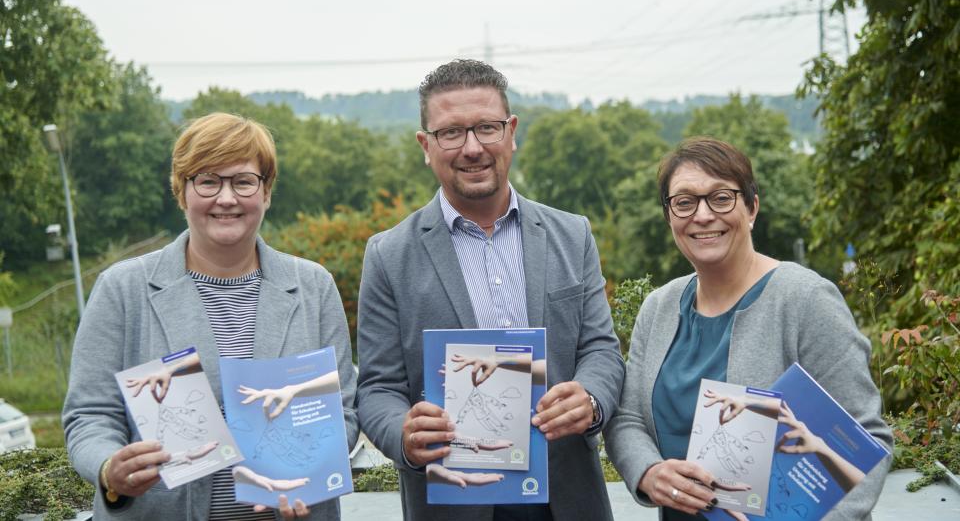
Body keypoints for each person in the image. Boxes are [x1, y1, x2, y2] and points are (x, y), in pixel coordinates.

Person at [356, 59, 625, 521]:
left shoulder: (571, 234)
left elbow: (601, 349)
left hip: (565, 498)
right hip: (451, 499)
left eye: (487, 127)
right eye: (451, 133)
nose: (472, 147)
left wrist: (592, 399)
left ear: (512, 132)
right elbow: (377, 387)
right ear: (426, 144)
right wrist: (402, 432)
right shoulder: (388, 255)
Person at [62, 112, 358, 520]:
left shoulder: (313, 286)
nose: (226, 198)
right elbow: (89, 415)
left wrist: (310, 470)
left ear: (266, 191)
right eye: (207, 181)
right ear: (181, 192)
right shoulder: (123, 289)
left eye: (243, 181)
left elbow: (343, 410)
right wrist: (109, 466)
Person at [603, 137, 892, 520]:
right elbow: (628, 418)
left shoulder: (805, 300)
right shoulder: (658, 309)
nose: (703, 216)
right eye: (684, 202)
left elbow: (866, 439)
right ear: (669, 216)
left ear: (752, 207)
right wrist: (649, 471)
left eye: (721, 198)